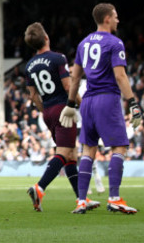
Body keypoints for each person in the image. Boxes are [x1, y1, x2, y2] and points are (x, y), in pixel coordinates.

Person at [60, 3, 142, 214]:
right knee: (119, 147)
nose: (118, 20)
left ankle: (81, 200)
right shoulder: (115, 43)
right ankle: (114, 197)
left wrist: (70, 104)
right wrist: (133, 102)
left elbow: (75, 77)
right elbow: (120, 75)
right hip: (107, 99)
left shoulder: (83, 43)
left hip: (87, 102)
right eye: (115, 16)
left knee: (88, 149)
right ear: (106, 19)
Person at [22, 22, 99, 212]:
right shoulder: (58, 58)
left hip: (48, 111)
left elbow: (33, 96)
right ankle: (39, 188)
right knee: (64, 153)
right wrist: (84, 106)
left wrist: (45, 111)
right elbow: (67, 86)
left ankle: (82, 199)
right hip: (63, 110)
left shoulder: (29, 66)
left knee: (71, 155)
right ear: (46, 37)